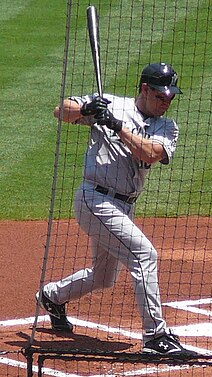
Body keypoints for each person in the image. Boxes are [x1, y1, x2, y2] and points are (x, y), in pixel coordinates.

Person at [36, 63, 198, 358]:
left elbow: (149, 152)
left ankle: (52, 296)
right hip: (95, 200)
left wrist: (116, 126)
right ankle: (156, 335)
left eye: (170, 97)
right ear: (145, 89)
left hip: (124, 206)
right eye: (161, 96)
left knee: (103, 278)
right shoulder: (111, 104)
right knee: (144, 255)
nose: (166, 102)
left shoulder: (167, 127)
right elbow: (61, 111)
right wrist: (87, 110)